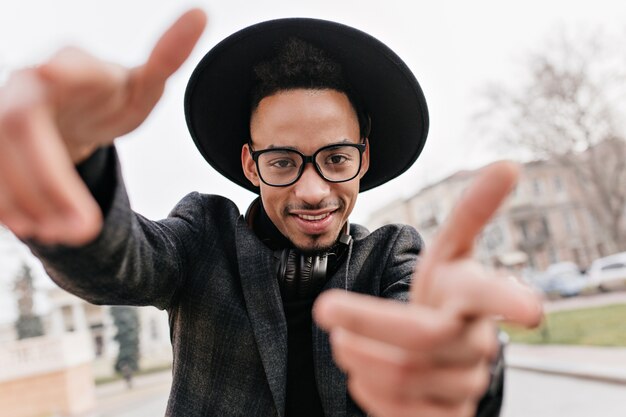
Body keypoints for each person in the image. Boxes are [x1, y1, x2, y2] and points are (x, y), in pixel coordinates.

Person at [0, 9, 542, 417]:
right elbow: (120, 262)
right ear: (251, 166)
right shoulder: (202, 237)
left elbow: (432, 335)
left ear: (363, 160)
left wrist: (465, 364)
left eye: (335, 158)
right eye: (283, 161)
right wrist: (76, 164)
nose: (311, 190)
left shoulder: (394, 256)